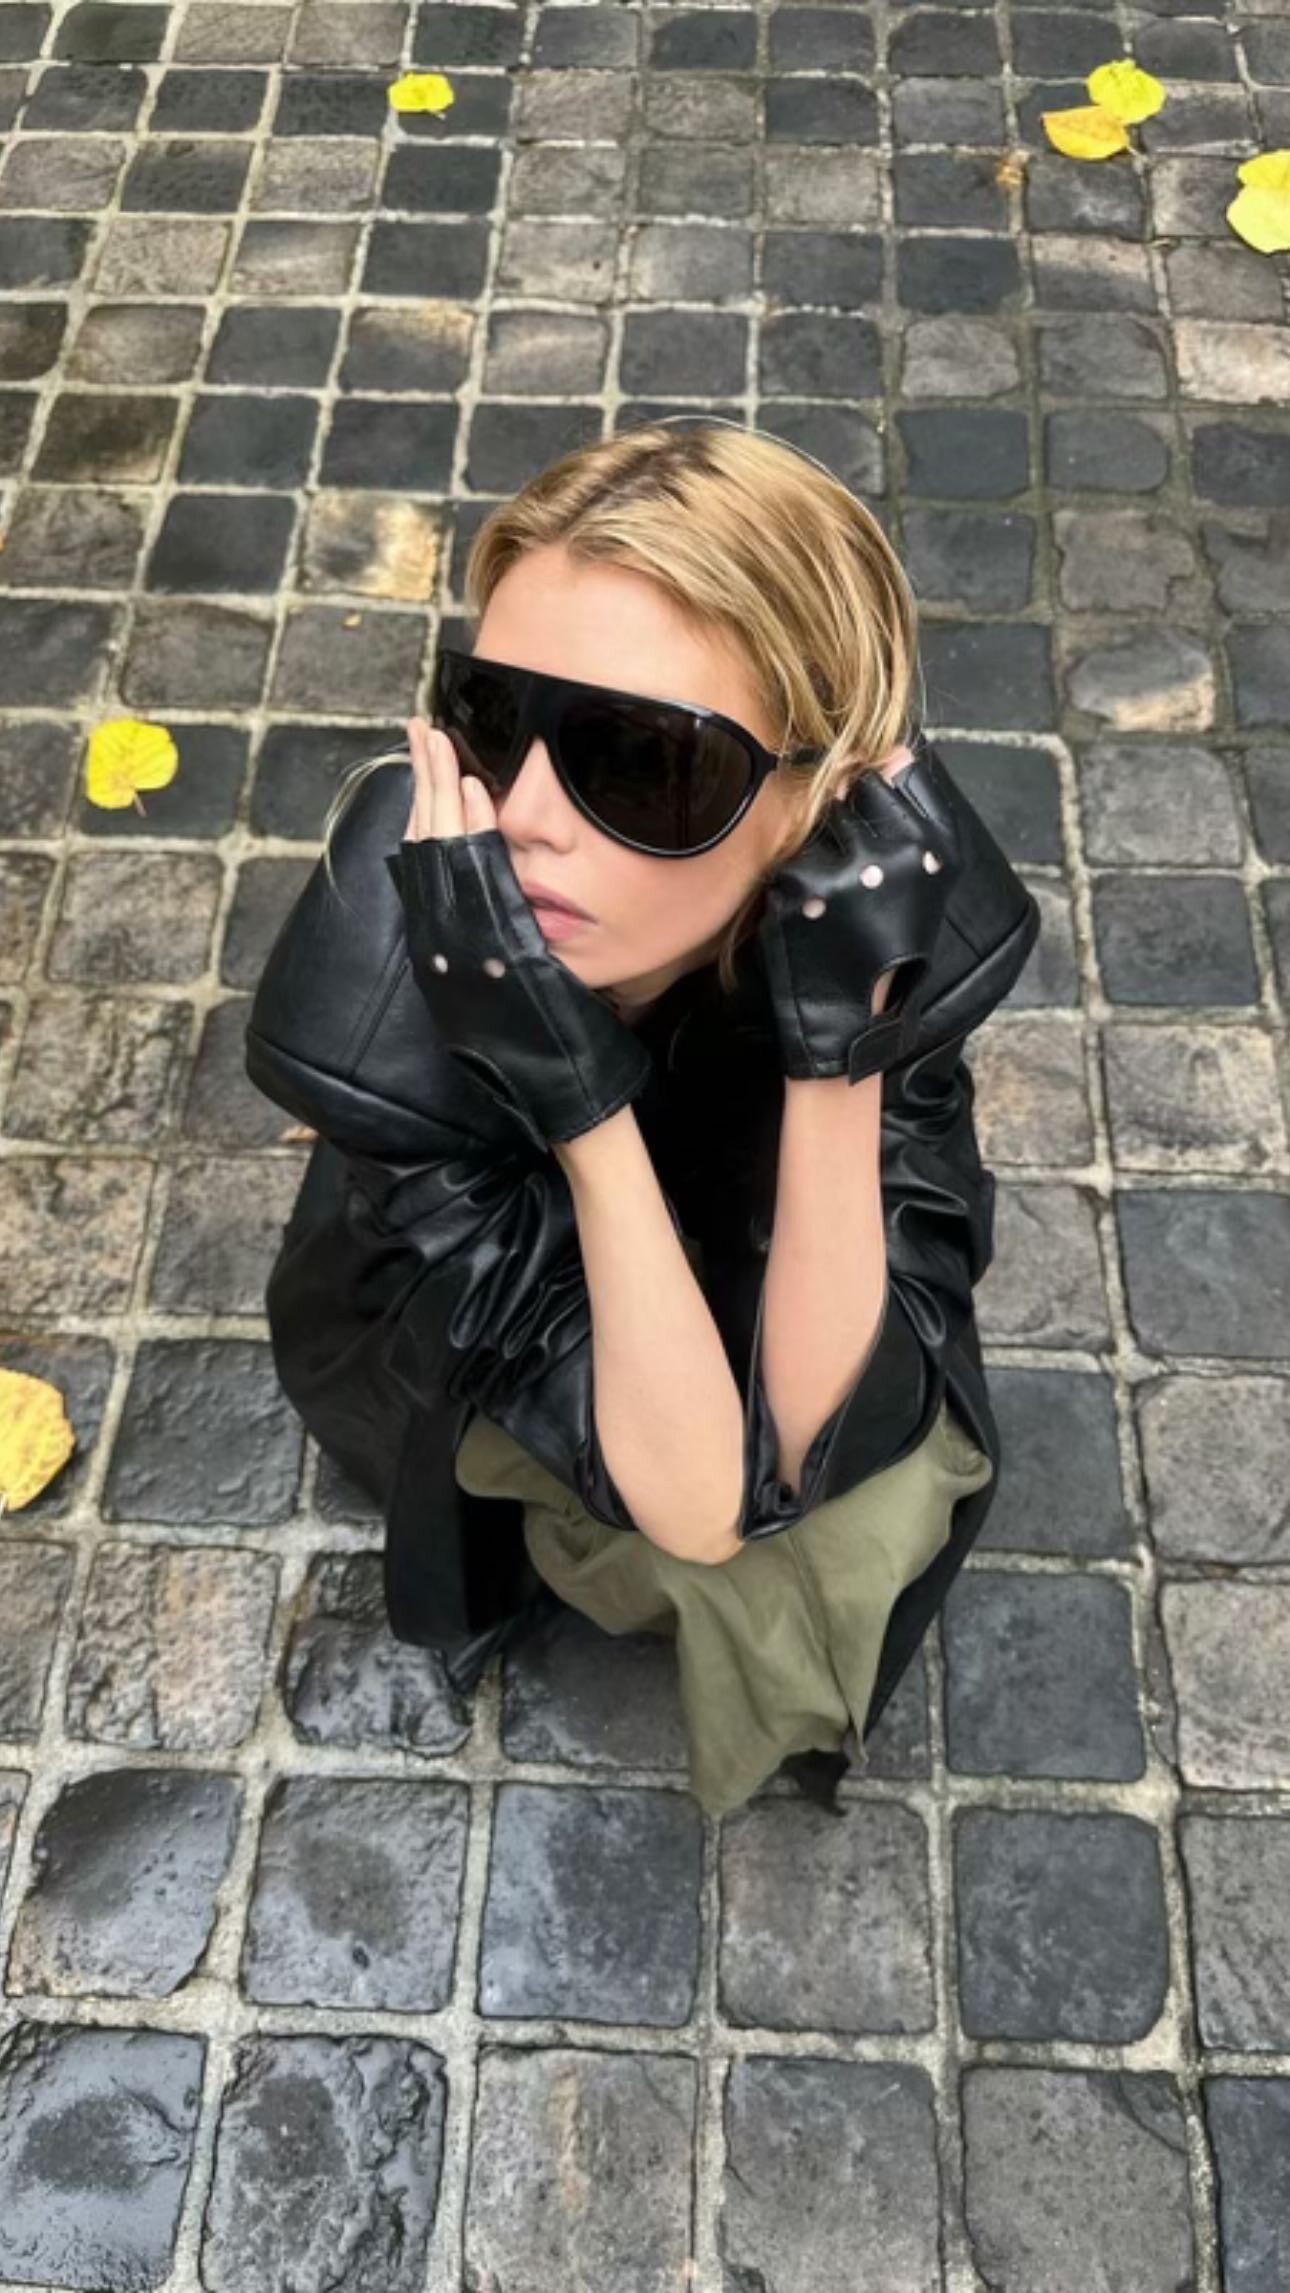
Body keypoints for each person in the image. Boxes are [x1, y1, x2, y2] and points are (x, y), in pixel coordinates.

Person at [244, 416, 1040, 1815]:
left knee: (864, 1482)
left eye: (639, 761)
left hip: (733, 1261)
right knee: (774, 1572)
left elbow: (820, 1431)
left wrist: (840, 1052)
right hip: (482, 1354)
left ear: (817, 803)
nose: (527, 815)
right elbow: (698, 1506)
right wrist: (577, 1104)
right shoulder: (390, 1007)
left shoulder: (875, 909)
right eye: (494, 721)